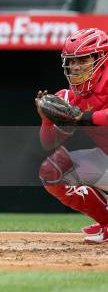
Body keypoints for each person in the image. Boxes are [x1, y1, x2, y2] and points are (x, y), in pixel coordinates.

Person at [35, 28, 108, 244]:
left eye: (83, 59)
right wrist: (47, 119)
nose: (75, 67)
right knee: (51, 171)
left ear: (101, 58)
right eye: (72, 61)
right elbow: (48, 143)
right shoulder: (69, 97)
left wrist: (82, 118)